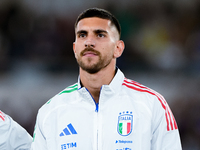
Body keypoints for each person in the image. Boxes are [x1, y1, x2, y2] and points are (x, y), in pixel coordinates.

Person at [31, 7, 182, 150]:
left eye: (100, 35)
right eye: (82, 35)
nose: (89, 42)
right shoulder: (51, 112)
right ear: (75, 48)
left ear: (118, 48)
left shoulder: (152, 104)